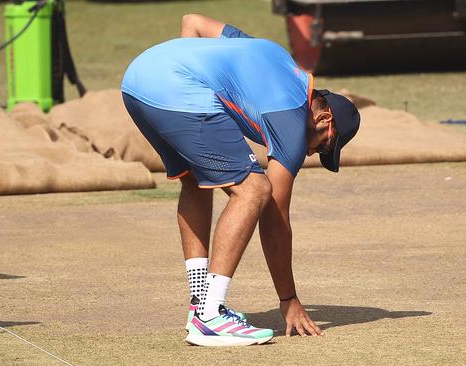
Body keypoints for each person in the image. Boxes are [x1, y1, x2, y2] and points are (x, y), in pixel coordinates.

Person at [121, 14, 360, 347]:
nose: (310, 154)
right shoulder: (291, 121)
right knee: (254, 189)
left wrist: (185, 61)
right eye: (323, 146)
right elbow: (274, 218)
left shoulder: (275, 57)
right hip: (177, 89)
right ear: (323, 118)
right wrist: (288, 298)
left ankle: (199, 305)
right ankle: (210, 317)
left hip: (137, 80)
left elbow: (194, 23)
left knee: (195, 179)